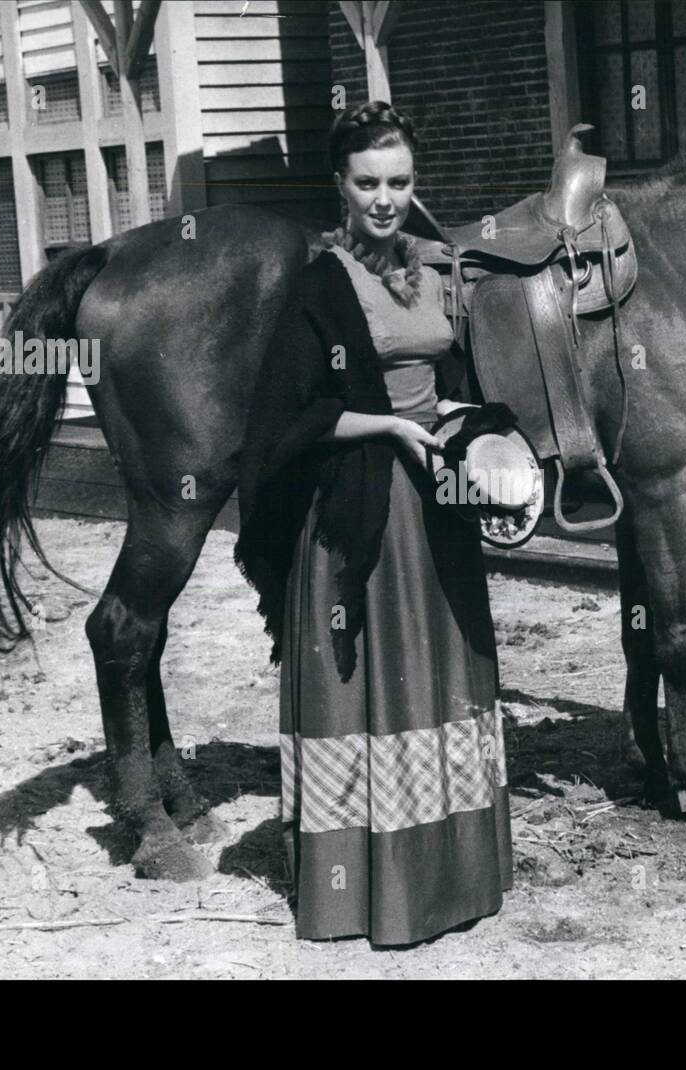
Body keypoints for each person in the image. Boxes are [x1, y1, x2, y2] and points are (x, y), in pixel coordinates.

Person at [235, 101, 513, 946]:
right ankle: (368, 892)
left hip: (437, 497)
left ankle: (451, 876)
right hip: (363, 506)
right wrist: (391, 426)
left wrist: (474, 428)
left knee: (444, 669)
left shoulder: (431, 272)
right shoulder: (321, 284)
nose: (385, 198)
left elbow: (449, 378)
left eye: (398, 181)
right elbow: (291, 414)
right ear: (340, 187)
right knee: (377, 681)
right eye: (367, 183)